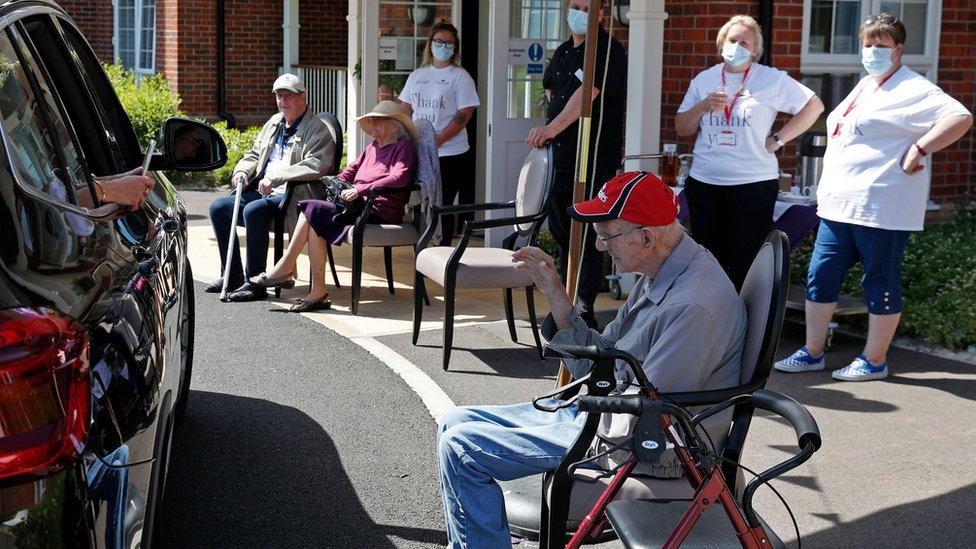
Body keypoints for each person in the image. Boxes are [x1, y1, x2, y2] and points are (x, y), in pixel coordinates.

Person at [437, 171, 747, 548]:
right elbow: (604, 358)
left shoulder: (693, 305)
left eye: (606, 235)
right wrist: (554, 292)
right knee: (453, 422)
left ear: (646, 237)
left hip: (643, 443)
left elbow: (648, 414)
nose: (600, 246)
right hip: (611, 413)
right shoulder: (663, 270)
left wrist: (573, 407)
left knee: (462, 447)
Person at [775, 14, 972, 382]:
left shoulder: (914, 88)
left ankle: (874, 359)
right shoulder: (866, 85)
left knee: (879, 280)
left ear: (898, 49)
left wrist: (919, 147)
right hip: (839, 205)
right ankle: (813, 351)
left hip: (881, 207)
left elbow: (959, 117)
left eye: (881, 46)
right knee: (820, 276)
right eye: (867, 44)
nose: (872, 52)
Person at [676, 14, 824, 290]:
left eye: (745, 42)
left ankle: (743, 328)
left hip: (752, 184)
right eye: (732, 40)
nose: (738, 46)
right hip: (706, 182)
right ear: (721, 45)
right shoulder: (704, 80)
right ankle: (712, 324)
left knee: (746, 263)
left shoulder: (771, 79)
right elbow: (682, 127)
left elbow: (814, 106)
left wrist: (778, 140)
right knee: (708, 261)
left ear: (755, 50)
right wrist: (703, 106)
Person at [250, 101, 418, 312]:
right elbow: (350, 170)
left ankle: (286, 268)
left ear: (394, 125)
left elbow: (399, 177)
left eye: (379, 119)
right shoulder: (372, 147)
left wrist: (361, 189)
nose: (373, 123)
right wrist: (337, 182)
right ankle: (316, 292)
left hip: (380, 210)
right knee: (313, 220)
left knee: (310, 210)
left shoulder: (403, 147)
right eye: (371, 119)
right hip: (358, 206)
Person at [525, 0, 627, 329]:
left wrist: (552, 128)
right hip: (560, 156)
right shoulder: (563, 51)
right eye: (574, 5)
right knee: (560, 228)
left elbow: (588, 93)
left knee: (587, 235)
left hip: (591, 157)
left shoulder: (608, 50)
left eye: (585, 7)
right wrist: (549, 132)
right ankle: (563, 301)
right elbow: (553, 93)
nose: (578, 12)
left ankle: (582, 310)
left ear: (600, 13)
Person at [207, 73, 335, 302]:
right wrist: (242, 171)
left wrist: (277, 177)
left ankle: (254, 283)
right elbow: (254, 154)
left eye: (288, 96)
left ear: (302, 98)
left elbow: (317, 165)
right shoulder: (274, 123)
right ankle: (232, 275)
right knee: (219, 207)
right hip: (265, 190)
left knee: (253, 210)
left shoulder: (317, 129)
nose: (282, 101)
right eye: (279, 96)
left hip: (294, 194)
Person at [399, 20, 479, 245]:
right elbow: (405, 107)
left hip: (451, 154)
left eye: (449, 43)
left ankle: (442, 253)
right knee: (422, 204)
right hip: (421, 151)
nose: (444, 46)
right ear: (430, 44)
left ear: (455, 48)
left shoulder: (460, 77)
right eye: (439, 41)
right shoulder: (417, 75)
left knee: (442, 207)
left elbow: (465, 113)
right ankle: (422, 249)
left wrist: (439, 139)